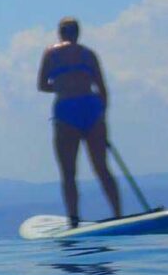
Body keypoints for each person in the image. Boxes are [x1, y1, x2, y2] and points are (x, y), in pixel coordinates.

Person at [37, 17, 120, 227]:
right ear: (77, 33)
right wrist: (102, 119)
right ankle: (117, 213)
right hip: (91, 109)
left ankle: (73, 219)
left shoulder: (51, 54)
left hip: (66, 110)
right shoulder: (89, 55)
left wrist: (62, 85)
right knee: (101, 167)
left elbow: (42, 85)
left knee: (68, 172)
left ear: (60, 33)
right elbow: (102, 89)